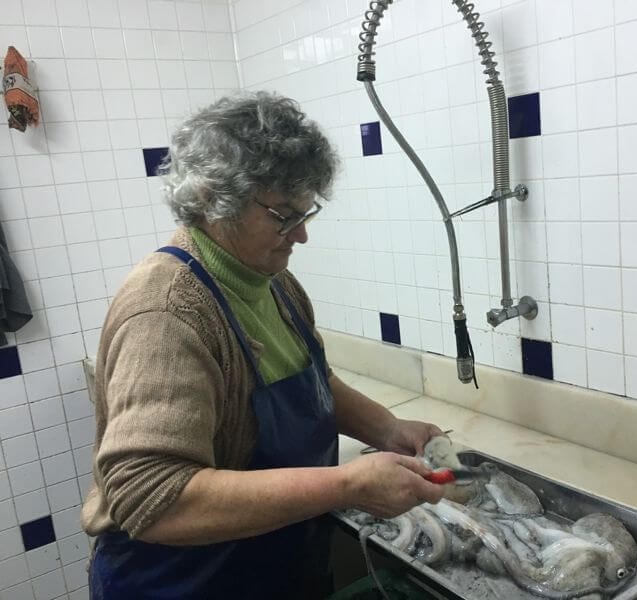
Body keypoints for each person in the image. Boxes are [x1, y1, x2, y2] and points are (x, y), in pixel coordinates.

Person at [81, 91, 446, 599]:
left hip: (275, 565)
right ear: (212, 198)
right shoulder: (167, 312)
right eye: (282, 215)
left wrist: (386, 427)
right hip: (184, 583)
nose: (300, 236)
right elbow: (151, 497)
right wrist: (348, 484)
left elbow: (311, 381)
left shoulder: (270, 281)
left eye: (306, 213)